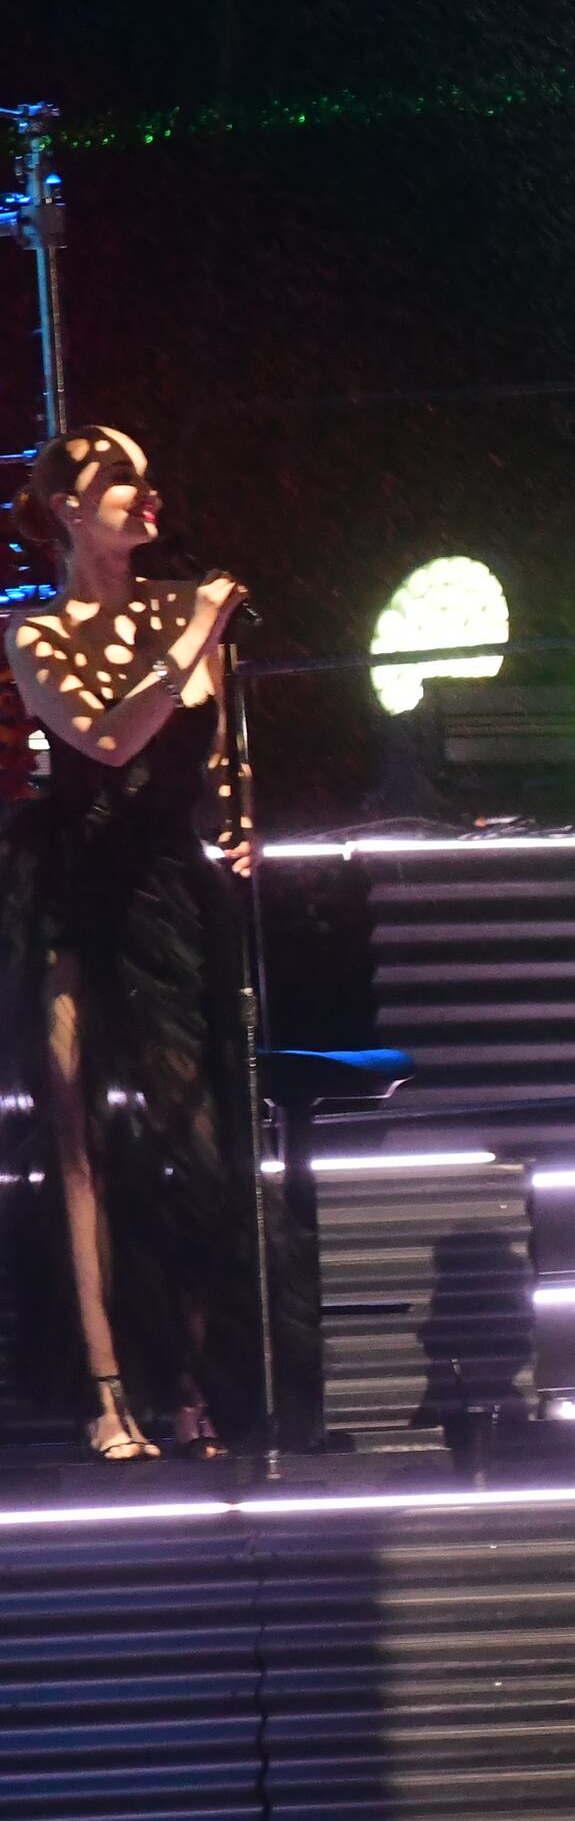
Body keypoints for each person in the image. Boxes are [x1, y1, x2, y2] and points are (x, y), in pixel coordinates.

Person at [6, 422, 257, 1458]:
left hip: (165, 891)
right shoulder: (32, 630)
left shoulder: (181, 610)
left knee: (192, 1140)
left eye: (151, 476)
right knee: (76, 1142)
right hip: (72, 884)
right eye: (118, 479)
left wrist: (242, 828)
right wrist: (194, 634)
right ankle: (108, 1390)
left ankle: (193, 1379)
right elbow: (106, 736)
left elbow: (223, 757)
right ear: (66, 506)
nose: (144, 496)